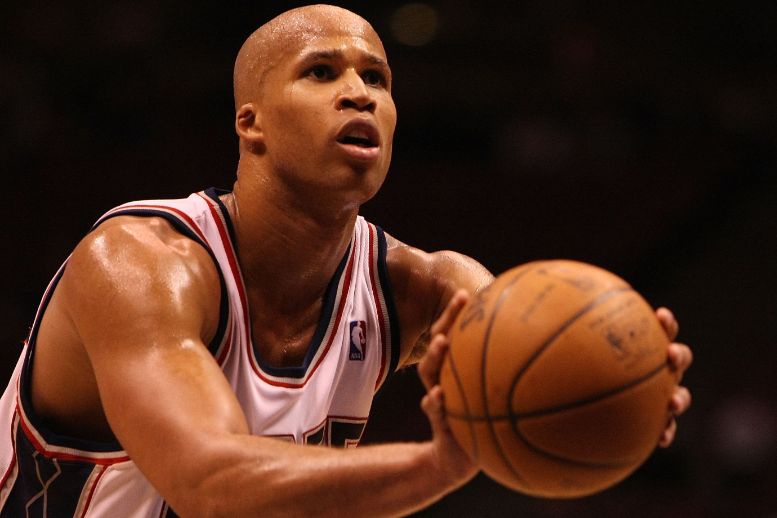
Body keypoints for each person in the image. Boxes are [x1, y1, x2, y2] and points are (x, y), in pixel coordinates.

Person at [0, 5, 692, 517]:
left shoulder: (423, 286)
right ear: (252, 122)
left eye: (377, 78)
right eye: (321, 71)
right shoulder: (139, 264)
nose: (359, 92)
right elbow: (208, 483)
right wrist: (438, 465)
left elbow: (537, 350)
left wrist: (630, 386)